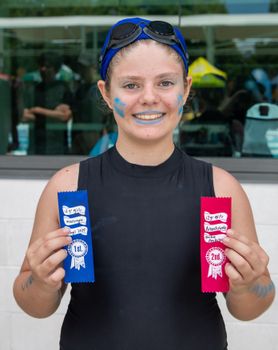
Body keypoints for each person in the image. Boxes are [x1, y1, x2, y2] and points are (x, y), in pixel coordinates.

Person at [13, 18, 275, 349]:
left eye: (165, 83)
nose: (149, 98)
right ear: (106, 94)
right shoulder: (68, 186)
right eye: (131, 85)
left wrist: (249, 285)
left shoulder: (220, 188)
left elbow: (251, 307)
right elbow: (34, 303)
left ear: (186, 89)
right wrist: (40, 282)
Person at [23, 52, 73, 154]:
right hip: (36, 147)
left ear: (56, 69)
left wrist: (37, 110)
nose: (43, 69)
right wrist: (53, 114)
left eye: (48, 66)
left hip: (58, 146)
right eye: (41, 66)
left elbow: (65, 116)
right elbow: (25, 116)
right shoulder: (34, 89)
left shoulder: (63, 88)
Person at [71, 52, 108, 154]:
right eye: (80, 68)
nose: (82, 72)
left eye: (85, 68)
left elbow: (101, 120)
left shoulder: (98, 90)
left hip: (94, 137)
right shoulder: (80, 89)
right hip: (79, 138)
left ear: (93, 68)